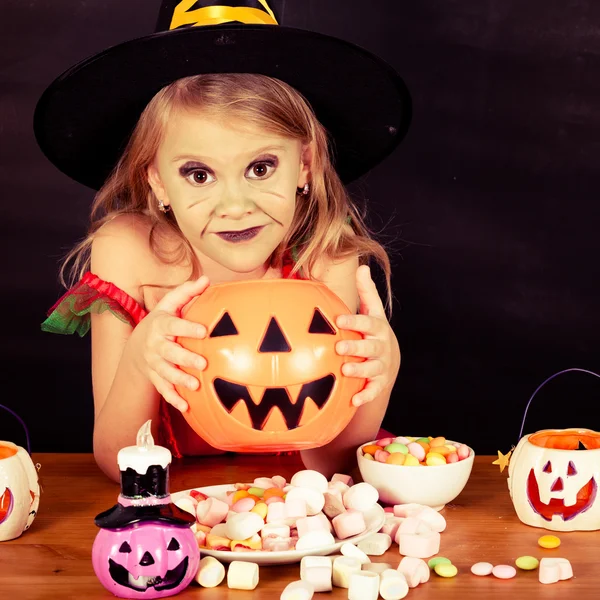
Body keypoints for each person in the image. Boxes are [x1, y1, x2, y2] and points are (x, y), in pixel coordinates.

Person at [35, 0, 411, 482]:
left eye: (261, 168)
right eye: (198, 174)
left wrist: (381, 374)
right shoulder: (127, 250)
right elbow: (118, 464)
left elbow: (333, 465)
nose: (234, 205)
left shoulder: (327, 260)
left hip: (295, 510)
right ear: (157, 182)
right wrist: (141, 359)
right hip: (176, 516)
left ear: (306, 164)